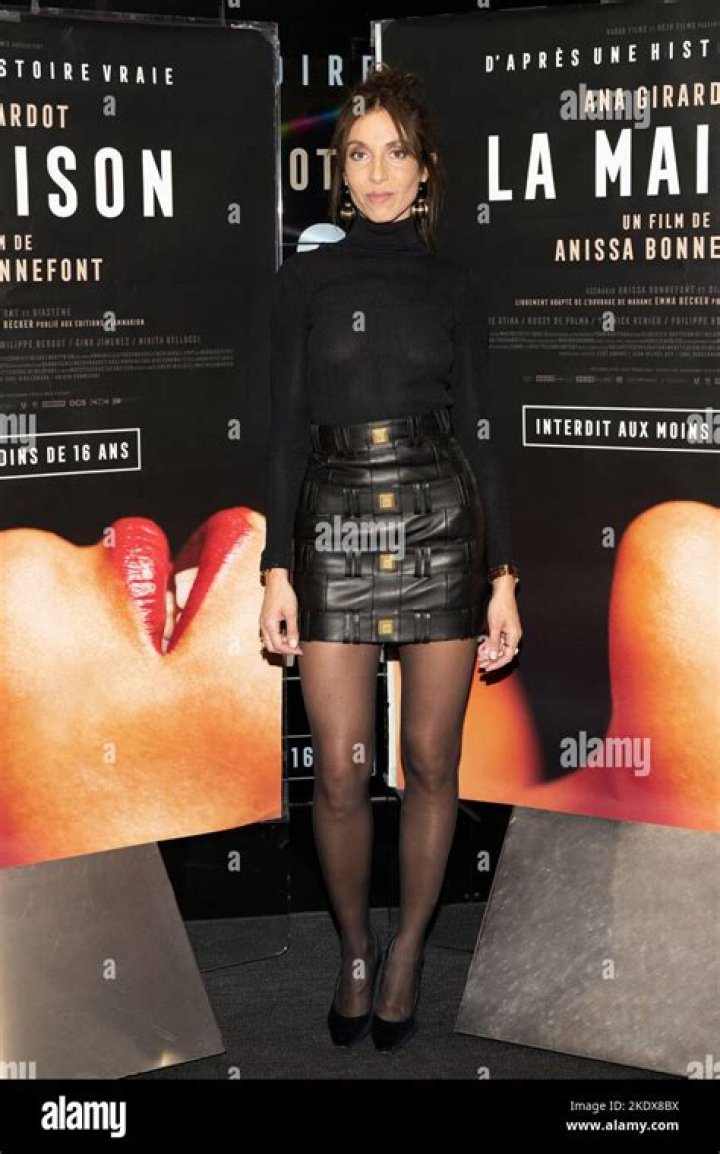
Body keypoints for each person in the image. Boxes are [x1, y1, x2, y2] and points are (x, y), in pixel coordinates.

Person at [259, 62, 523, 1053]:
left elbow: (485, 433)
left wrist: (504, 577)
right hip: (332, 516)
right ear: (340, 169)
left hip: (440, 520)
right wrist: (277, 567)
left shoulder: (456, 285)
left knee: (428, 761)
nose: (377, 172)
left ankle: (408, 950)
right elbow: (283, 429)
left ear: (425, 169)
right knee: (338, 769)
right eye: (359, 153)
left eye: (396, 153)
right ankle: (355, 949)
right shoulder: (304, 281)